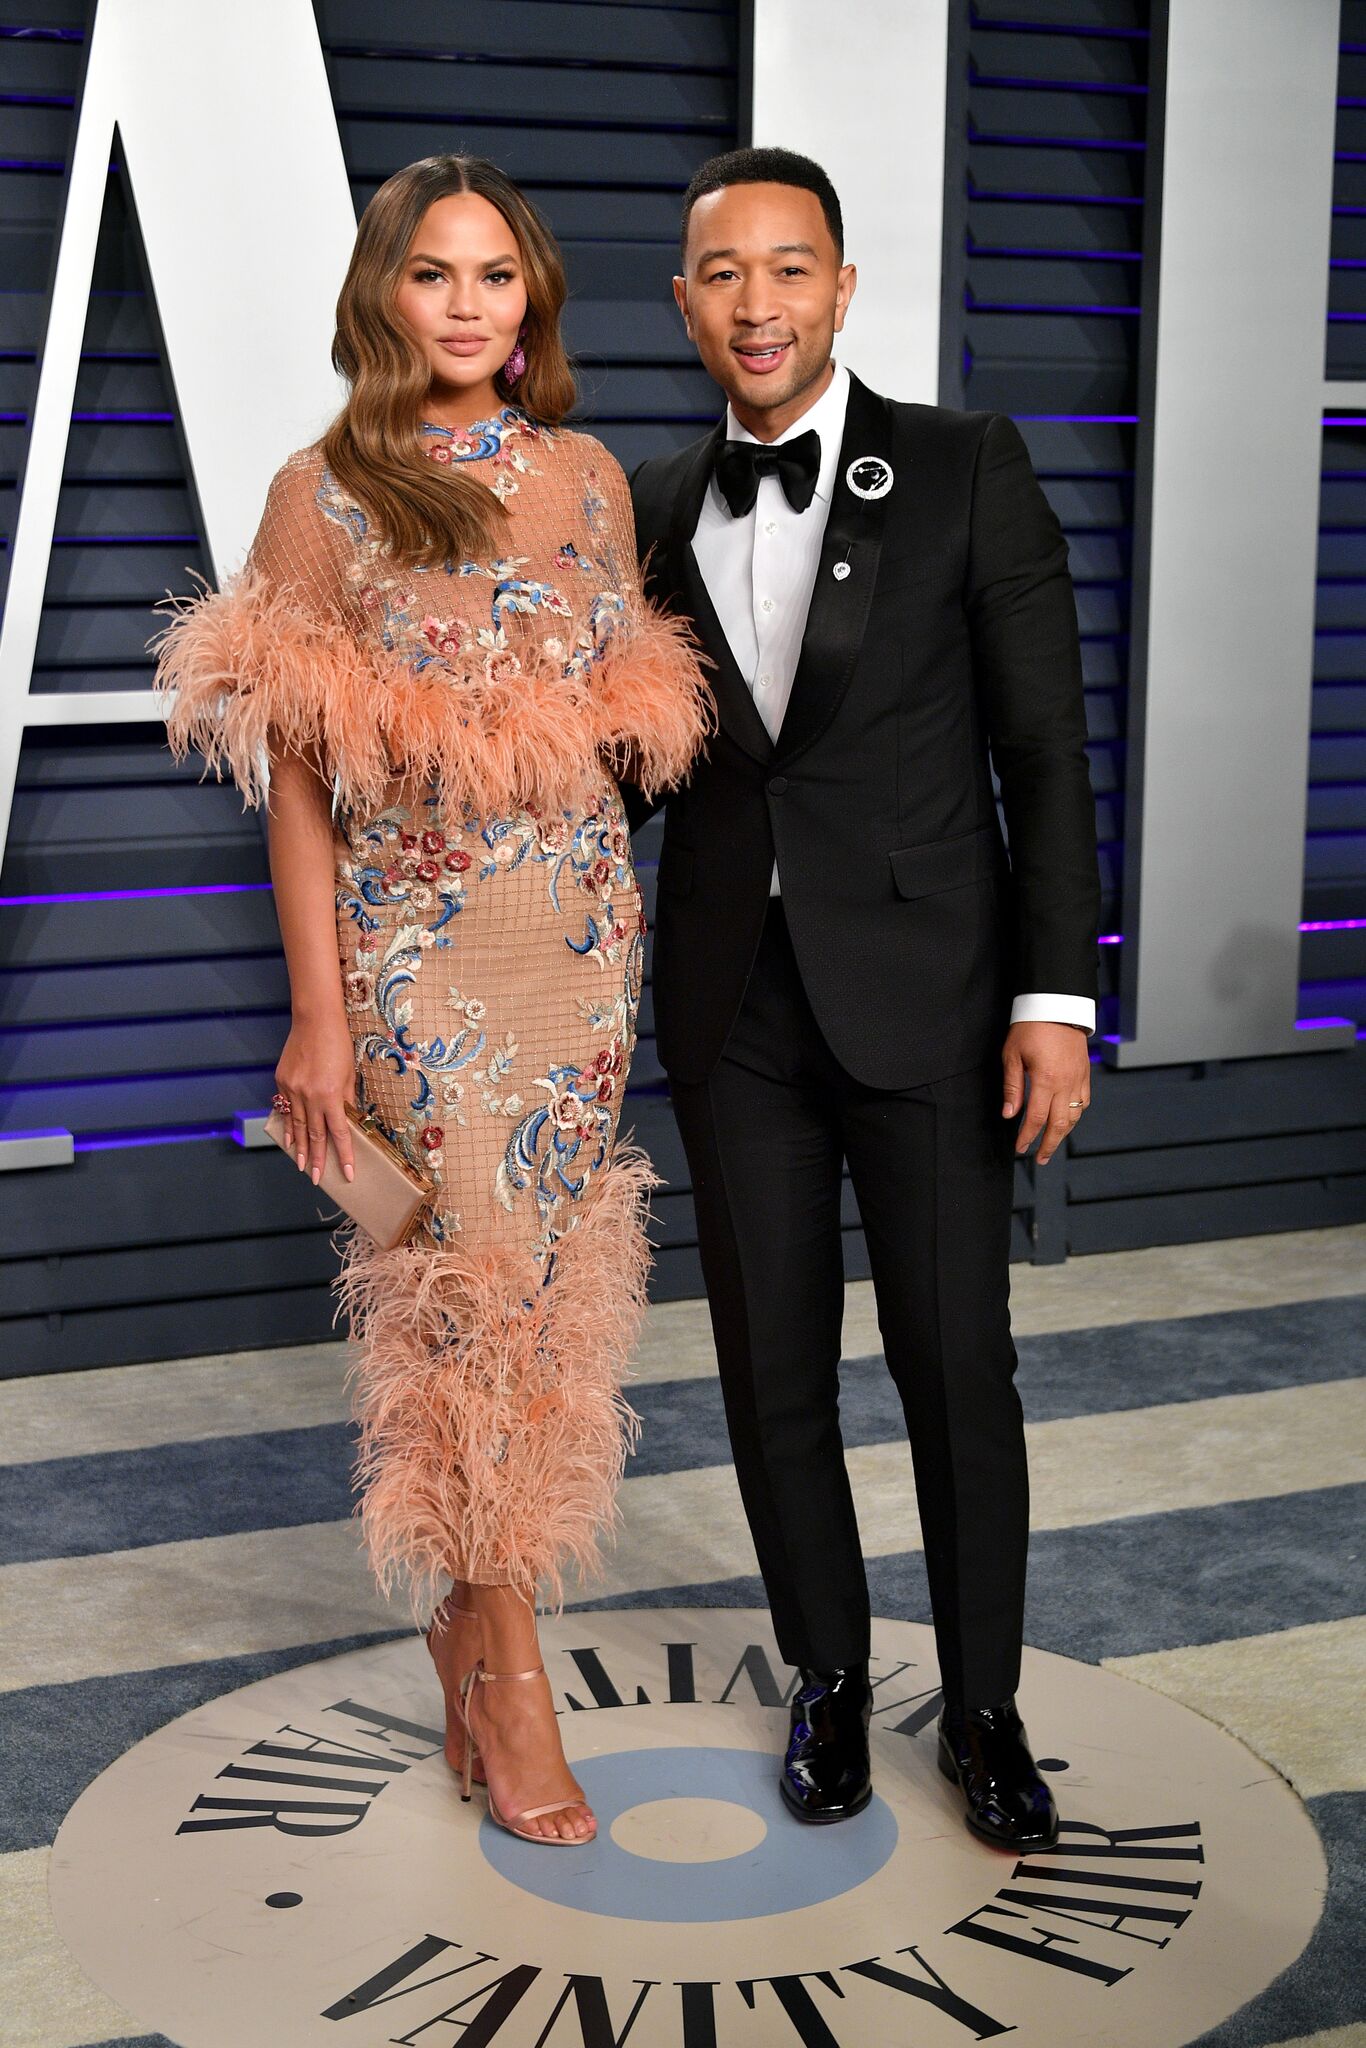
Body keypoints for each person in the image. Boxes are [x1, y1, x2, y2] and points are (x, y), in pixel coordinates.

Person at [155, 155, 710, 1847]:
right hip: (414, 957)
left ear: (528, 297)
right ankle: (514, 1668)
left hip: (579, 945)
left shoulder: (589, 478)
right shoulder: (317, 496)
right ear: (383, 298)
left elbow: (622, 732)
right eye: (432, 277)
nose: (467, 306)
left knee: (536, 1291)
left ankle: (473, 1632)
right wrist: (318, 1013)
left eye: (494, 277)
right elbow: (303, 783)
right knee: (459, 1289)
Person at [627, 147, 1100, 1850]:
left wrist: (1053, 994)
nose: (755, 302)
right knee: (770, 1376)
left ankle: (980, 1707)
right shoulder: (649, 503)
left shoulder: (968, 467)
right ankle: (827, 1681)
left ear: (840, 286)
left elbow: (1040, 752)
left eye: (788, 268)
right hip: (727, 1009)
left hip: (929, 998)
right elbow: (629, 766)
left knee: (954, 1366)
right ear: (682, 304)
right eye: (720, 274)